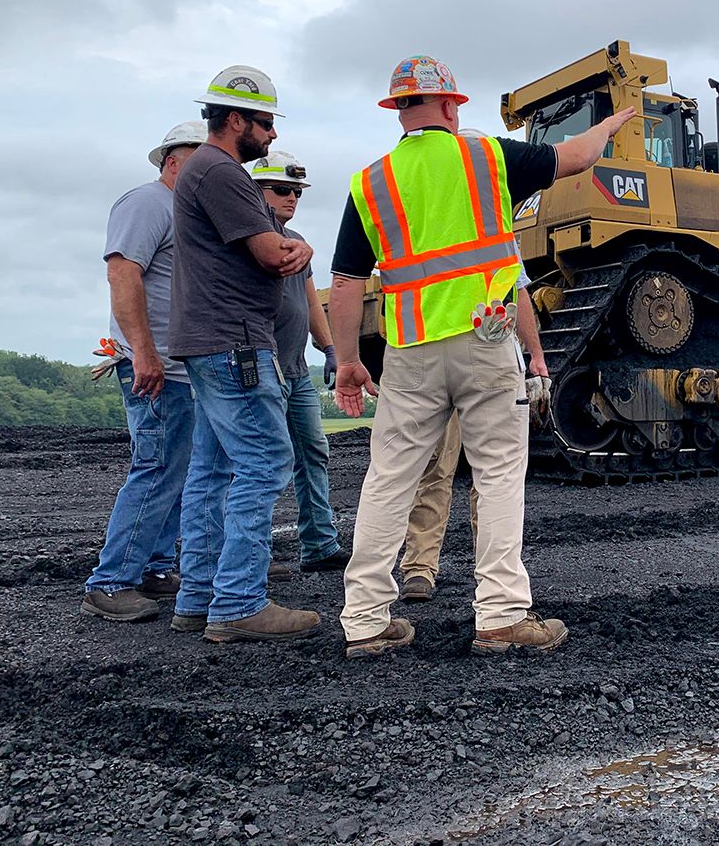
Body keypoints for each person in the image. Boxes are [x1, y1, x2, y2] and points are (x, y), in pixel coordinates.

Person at [329, 54, 634, 659]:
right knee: (496, 472)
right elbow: (575, 159)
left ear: (398, 111)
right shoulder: (488, 158)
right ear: (451, 105)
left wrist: (346, 361)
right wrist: (610, 124)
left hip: (411, 348)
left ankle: (364, 618)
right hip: (486, 339)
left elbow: (343, 284)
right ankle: (499, 615)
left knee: (389, 479)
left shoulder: (372, 183)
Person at [168, 66, 321, 644]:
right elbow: (272, 256)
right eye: (264, 123)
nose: (272, 136)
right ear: (236, 120)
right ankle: (237, 603)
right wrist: (300, 248)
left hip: (206, 341)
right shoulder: (223, 173)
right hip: (235, 339)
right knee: (263, 463)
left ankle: (199, 595)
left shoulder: (202, 173)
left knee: (211, 470)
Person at [81, 121, 206, 623]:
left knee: (174, 469)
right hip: (153, 364)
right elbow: (122, 273)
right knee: (155, 468)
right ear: (174, 161)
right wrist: (144, 353)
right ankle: (110, 582)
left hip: (178, 365)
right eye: (202, 158)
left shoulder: (183, 212)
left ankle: (154, 567)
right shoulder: (147, 204)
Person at [397, 260, 546, 603]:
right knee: (480, 472)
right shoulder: (489, 223)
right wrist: (535, 355)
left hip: (457, 357)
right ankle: (444, 570)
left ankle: (431, 567)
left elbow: (516, 288)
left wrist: (535, 353)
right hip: (462, 357)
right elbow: (518, 288)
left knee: (448, 470)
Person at [250, 150, 351, 573]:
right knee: (259, 462)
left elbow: (310, 300)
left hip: (294, 371)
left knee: (313, 451)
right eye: (283, 190)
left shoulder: (294, 243)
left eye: (297, 192)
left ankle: (319, 544)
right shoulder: (251, 241)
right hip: (260, 369)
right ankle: (251, 553)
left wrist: (329, 348)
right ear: (257, 191)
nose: (292, 198)